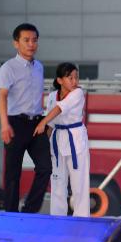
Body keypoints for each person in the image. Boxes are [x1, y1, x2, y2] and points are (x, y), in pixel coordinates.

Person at [0, 23, 51, 213]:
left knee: (45, 167)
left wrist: (46, 121)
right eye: (26, 40)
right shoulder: (8, 68)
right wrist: (4, 124)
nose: (31, 44)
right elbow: (2, 96)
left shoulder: (39, 67)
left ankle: (29, 211)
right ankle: (11, 214)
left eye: (34, 40)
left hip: (36, 123)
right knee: (13, 173)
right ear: (16, 43)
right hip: (15, 124)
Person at [34, 63, 90, 217]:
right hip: (57, 140)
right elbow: (52, 123)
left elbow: (59, 109)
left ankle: (82, 219)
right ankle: (57, 219)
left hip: (75, 139)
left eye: (76, 77)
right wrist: (44, 144)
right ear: (59, 80)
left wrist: (42, 122)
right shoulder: (52, 96)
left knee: (79, 184)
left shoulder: (78, 93)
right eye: (69, 77)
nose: (74, 81)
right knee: (58, 183)